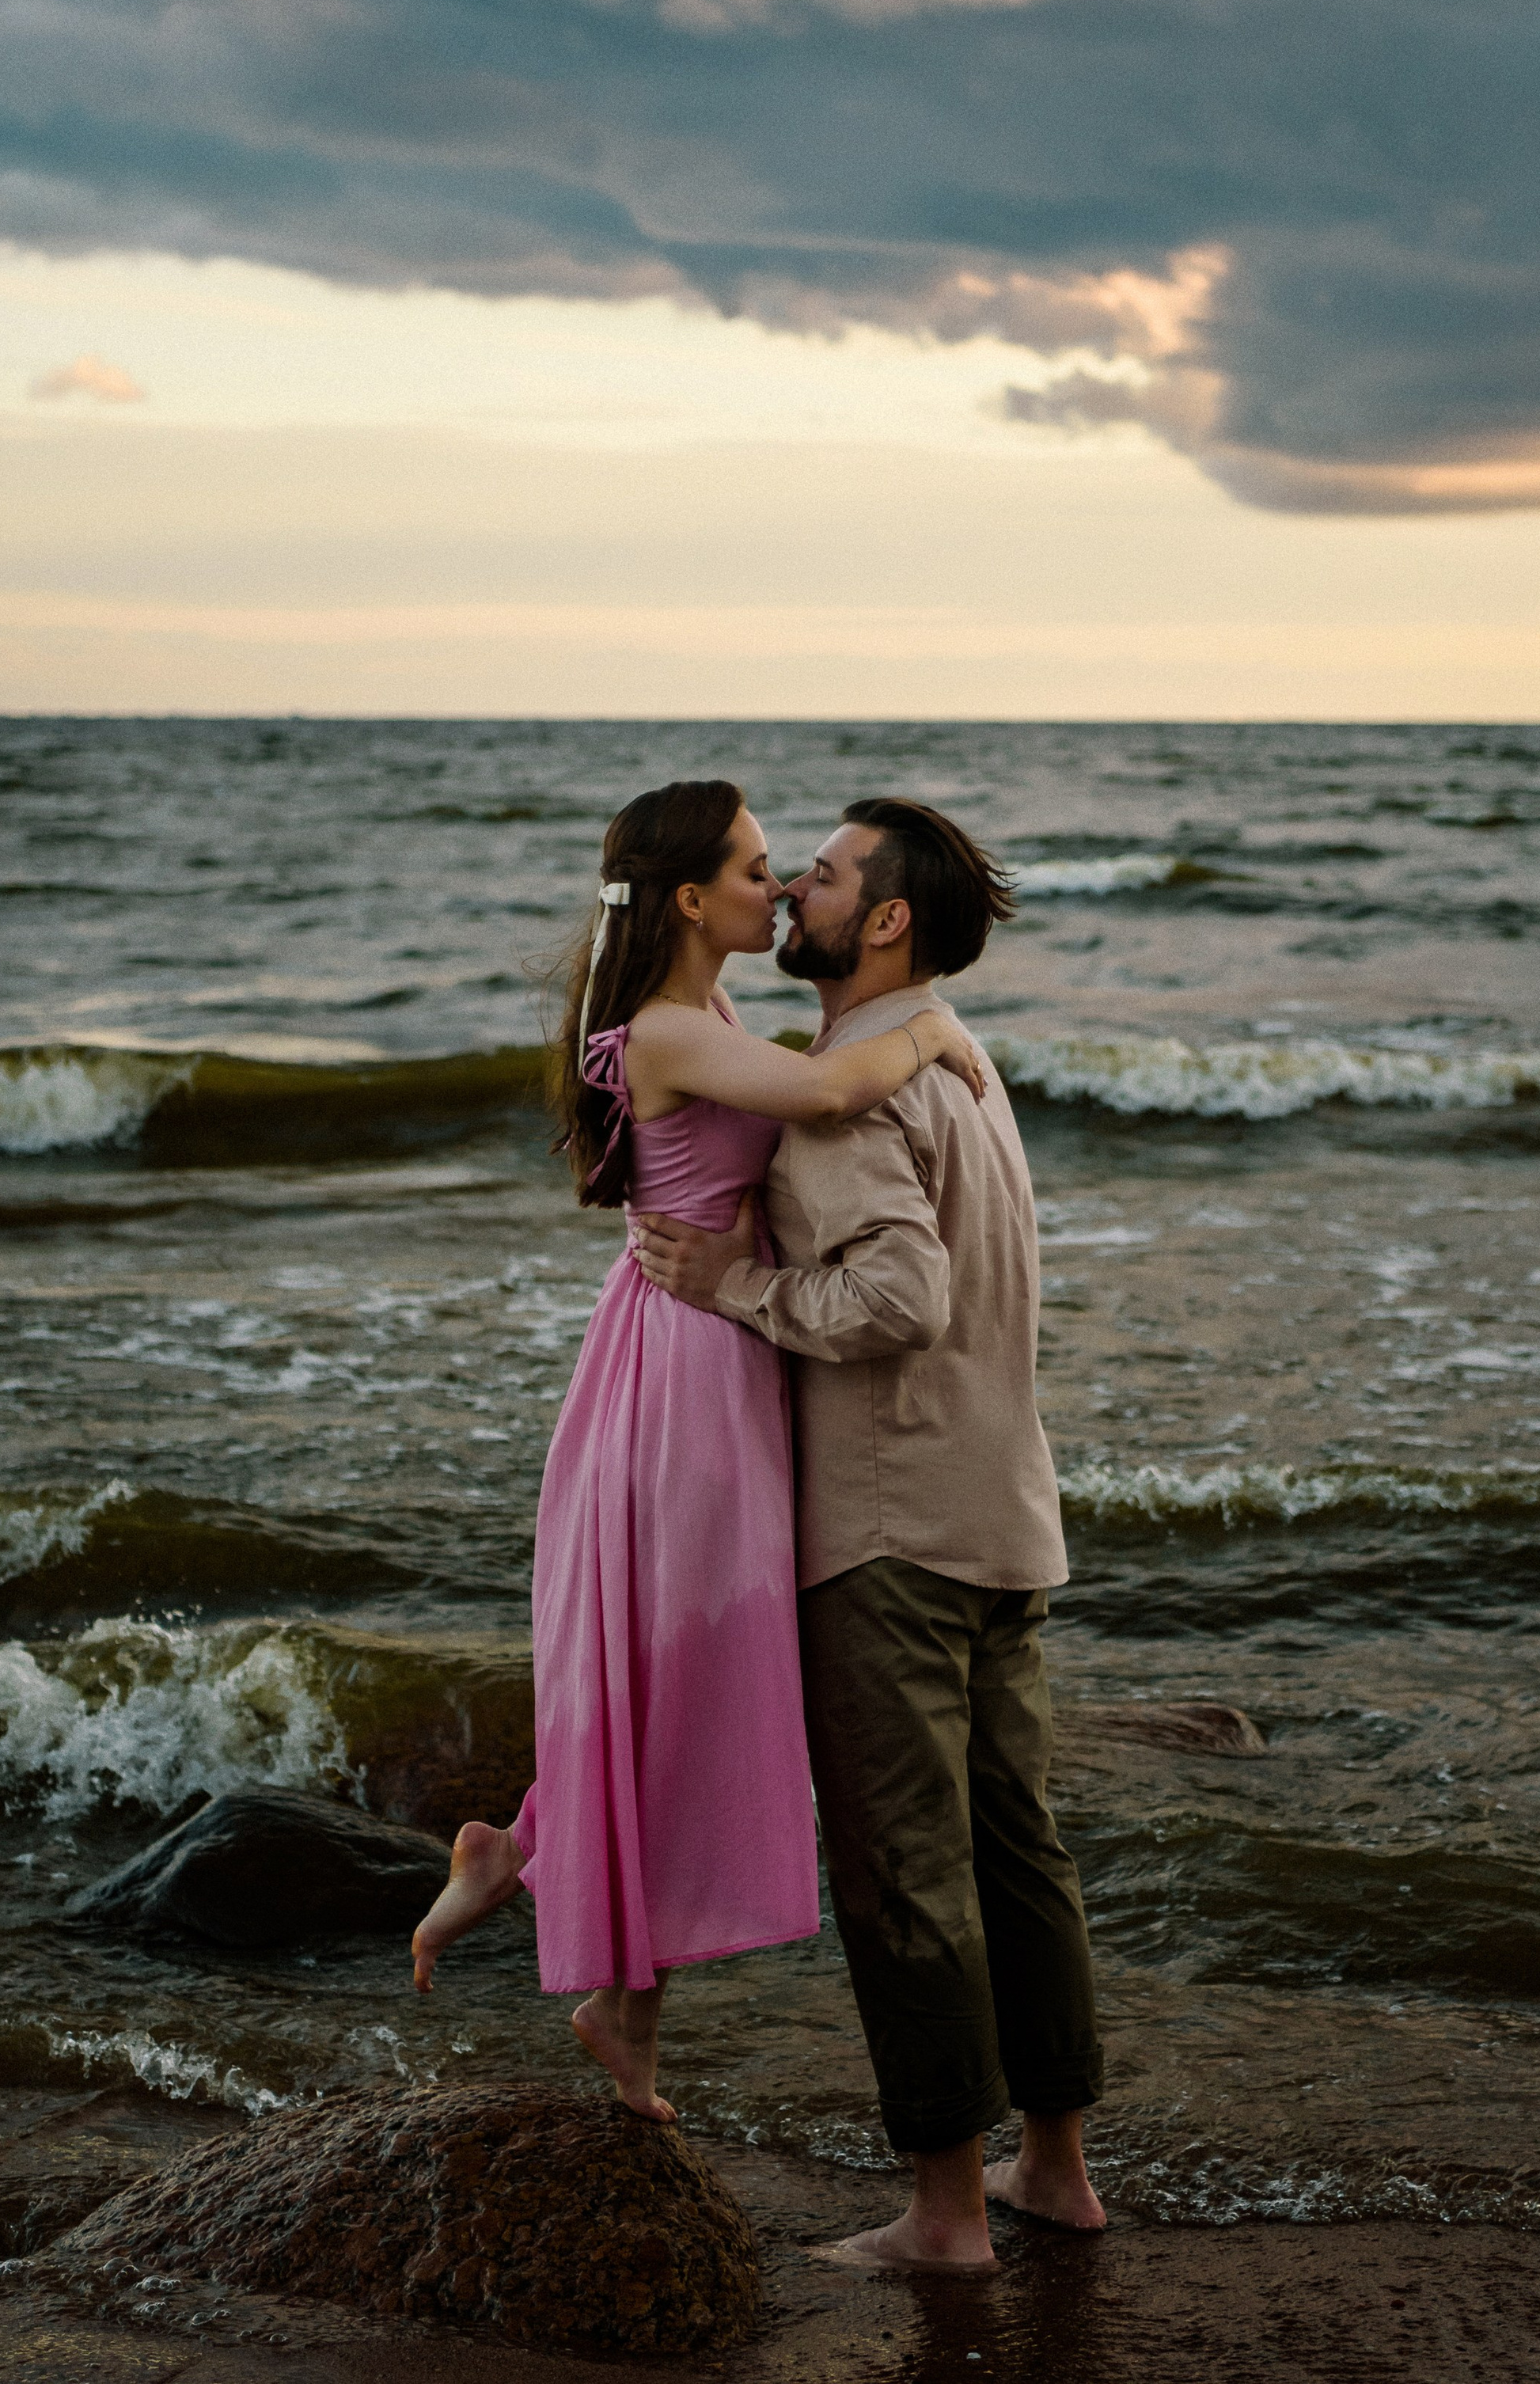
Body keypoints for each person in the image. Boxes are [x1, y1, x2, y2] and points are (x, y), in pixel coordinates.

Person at [408, 776, 984, 2124]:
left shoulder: (705, 1010)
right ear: (686, 896)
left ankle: (537, 1876)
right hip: (684, 1374)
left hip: (702, 1357)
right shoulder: (667, 1028)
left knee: (686, 1673)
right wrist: (934, 1023)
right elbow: (837, 1087)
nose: (777, 890)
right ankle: (576, 1935)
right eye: (756, 868)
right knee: (689, 1669)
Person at [632, 798, 1105, 2270]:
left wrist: (733, 1288)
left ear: (882, 921)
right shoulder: (964, 1058)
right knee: (1018, 1855)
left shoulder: (847, 1078)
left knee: (907, 1871)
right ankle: (1054, 2172)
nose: (793, 895)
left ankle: (944, 2216)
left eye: (823, 878)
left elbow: (899, 1297)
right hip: (1006, 1513)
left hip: (894, 1532)